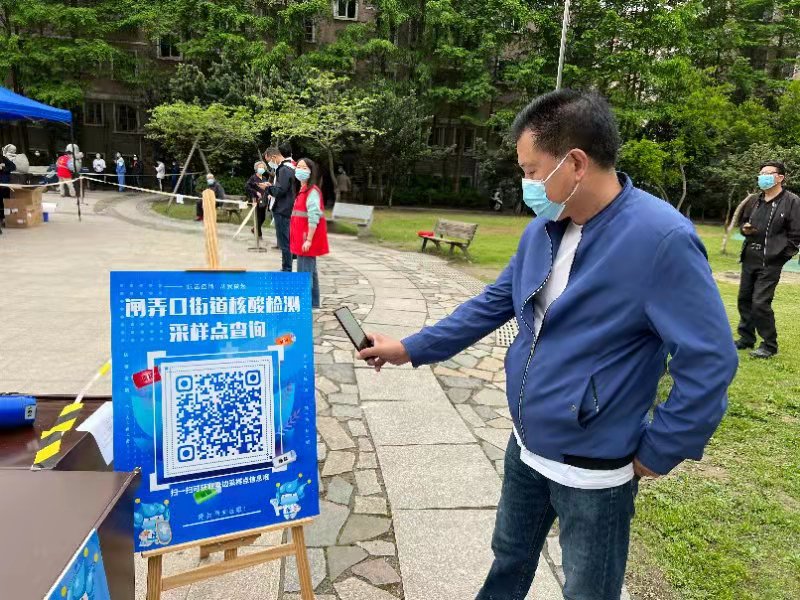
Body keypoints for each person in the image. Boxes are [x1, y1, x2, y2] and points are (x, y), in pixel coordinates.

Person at [358, 90, 739, 600]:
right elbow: (493, 302)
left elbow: (709, 360)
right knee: (509, 559)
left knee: (588, 589)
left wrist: (662, 449)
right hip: (526, 445)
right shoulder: (544, 229)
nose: (527, 185)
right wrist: (409, 348)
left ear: (575, 163)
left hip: (594, 468)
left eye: (531, 171)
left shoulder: (660, 239)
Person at [735, 161, 800, 358]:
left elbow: (796, 234)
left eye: (768, 173)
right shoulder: (754, 201)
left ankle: (769, 345)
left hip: (771, 261)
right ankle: (746, 338)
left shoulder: (792, 201)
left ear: (780, 177)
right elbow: (743, 224)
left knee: (760, 303)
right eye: (761, 173)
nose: (763, 176)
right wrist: (745, 230)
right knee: (744, 299)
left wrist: (781, 255)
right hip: (750, 257)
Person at [291, 158, 329, 309]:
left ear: (311, 172)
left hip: (306, 239)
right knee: (310, 272)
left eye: (304, 168)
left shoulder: (312, 191)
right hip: (302, 238)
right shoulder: (303, 190)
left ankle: (305, 305)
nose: (300, 170)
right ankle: (313, 303)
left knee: (304, 273)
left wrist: (309, 239)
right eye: (298, 167)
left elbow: (314, 216)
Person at [264, 147, 297, 271]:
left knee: (284, 241)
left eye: (268, 160)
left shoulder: (284, 169)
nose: (269, 163)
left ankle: (286, 268)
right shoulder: (290, 167)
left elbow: (280, 191)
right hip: (287, 207)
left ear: (273, 157)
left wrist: (267, 188)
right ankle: (287, 266)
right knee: (286, 239)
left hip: (282, 208)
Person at [246, 161, 269, 238]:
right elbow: (247, 187)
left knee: (263, 217)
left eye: (262, 167)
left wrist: (268, 194)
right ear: (256, 168)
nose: (261, 168)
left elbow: (266, 188)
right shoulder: (253, 178)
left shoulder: (264, 178)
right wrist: (256, 192)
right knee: (258, 217)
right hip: (256, 200)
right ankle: (259, 234)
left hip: (263, 200)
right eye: (260, 167)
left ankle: (254, 229)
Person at [0, 150, 16, 233]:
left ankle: (4, 219)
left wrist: (3, 168)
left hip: (4, 185)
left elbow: (13, 167)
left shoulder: (3, 159)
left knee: (5, 202)